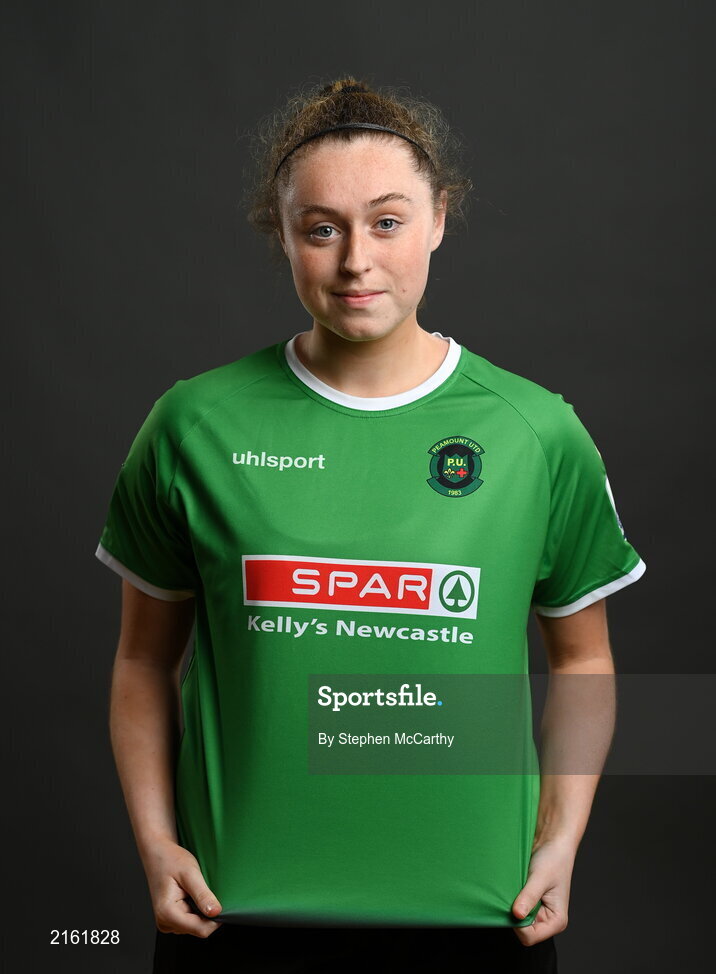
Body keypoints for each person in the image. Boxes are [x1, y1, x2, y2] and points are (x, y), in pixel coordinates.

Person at [95, 77, 646, 973]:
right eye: (323, 228)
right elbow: (141, 661)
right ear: (283, 235)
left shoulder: (536, 431)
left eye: (387, 222)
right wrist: (157, 846)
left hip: (480, 924)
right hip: (236, 922)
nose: (357, 260)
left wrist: (561, 839)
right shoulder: (194, 424)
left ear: (439, 218)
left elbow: (583, 660)